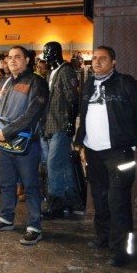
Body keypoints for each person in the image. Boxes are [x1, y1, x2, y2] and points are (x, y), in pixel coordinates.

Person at [74, 46, 137, 267]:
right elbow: (84, 114)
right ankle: (103, 238)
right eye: (95, 59)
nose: (97, 62)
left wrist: (126, 135)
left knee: (118, 202)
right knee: (99, 198)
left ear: (113, 62)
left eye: (103, 59)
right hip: (93, 152)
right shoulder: (89, 84)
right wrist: (80, 143)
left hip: (119, 152)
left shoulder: (126, 83)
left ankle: (122, 251)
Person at [0, 46, 48, 246]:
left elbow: (32, 113)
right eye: (9, 57)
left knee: (30, 186)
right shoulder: (1, 83)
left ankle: (34, 227)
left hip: (26, 144)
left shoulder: (37, 82)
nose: (12, 60)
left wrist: (5, 132)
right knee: (7, 184)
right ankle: (5, 219)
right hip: (3, 144)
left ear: (27, 60)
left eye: (17, 57)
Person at [41, 41, 80, 219]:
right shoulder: (50, 72)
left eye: (47, 52)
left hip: (62, 125)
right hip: (50, 125)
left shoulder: (66, 70)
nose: (45, 55)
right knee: (62, 165)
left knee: (54, 164)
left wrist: (71, 123)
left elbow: (73, 99)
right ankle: (68, 201)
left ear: (56, 53)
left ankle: (55, 202)